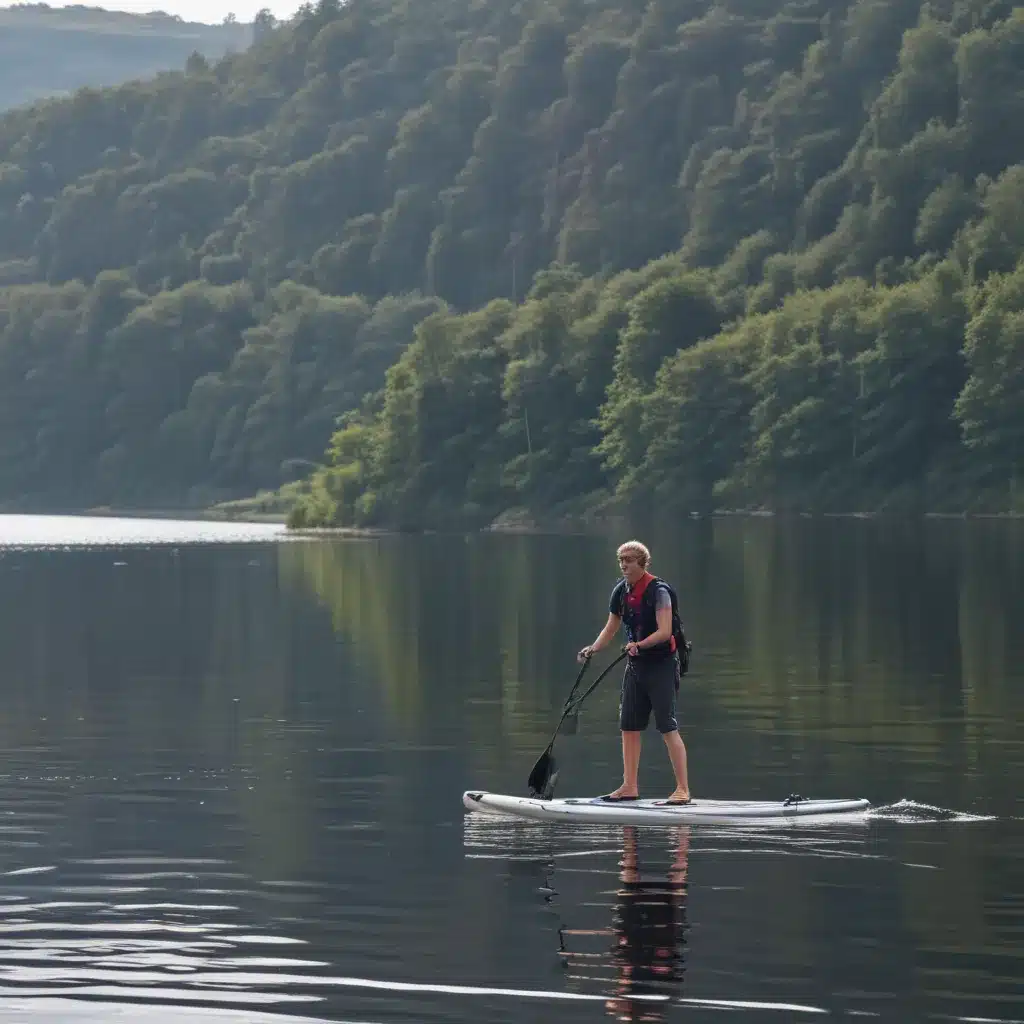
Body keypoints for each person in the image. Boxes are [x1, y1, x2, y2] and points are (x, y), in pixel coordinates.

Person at [577, 540, 691, 804]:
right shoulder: (621, 591)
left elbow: (664, 632)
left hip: (662, 665)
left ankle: (683, 789)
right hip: (636, 667)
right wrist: (592, 649)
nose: (624, 565)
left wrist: (639, 645)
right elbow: (611, 628)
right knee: (628, 726)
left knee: (667, 726)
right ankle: (629, 786)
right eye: (621, 560)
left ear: (642, 562)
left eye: (629, 560)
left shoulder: (659, 591)